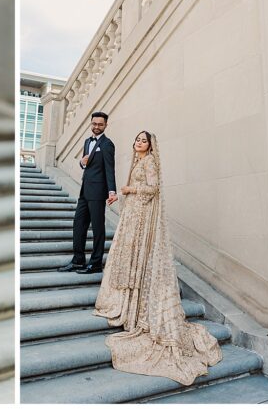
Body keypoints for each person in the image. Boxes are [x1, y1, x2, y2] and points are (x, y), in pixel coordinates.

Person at [93, 131, 222, 385]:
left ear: (150, 146)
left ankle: (134, 308)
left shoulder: (150, 161)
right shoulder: (138, 161)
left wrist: (130, 188)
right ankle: (125, 302)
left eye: (144, 140)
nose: (139, 142)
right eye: (137, 139)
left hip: (142, 216)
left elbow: (153, 188)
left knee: (134, 255)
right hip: (134, 214)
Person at [58, 111, 116, 275]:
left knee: (98, 228)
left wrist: (112, 191)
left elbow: (109, 169)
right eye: (94, 124)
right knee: (78, 224)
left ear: (105, 125)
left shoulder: (107, 144)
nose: (96, 127)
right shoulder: (86, 142)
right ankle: (78, 260)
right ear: (91, 123)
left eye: (100, 124)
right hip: (85, 190)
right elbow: (86, 163)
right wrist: (82, 163)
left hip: (98, 192)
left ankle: (96, 263)